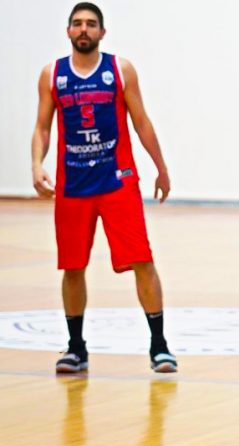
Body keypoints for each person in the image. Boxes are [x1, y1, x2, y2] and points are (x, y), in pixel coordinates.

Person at [31, 2, 177, 374]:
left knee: (142, 260)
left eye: (91, 24)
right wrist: (36, 164)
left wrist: (161, 168)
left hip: (117, 182)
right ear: (68, 31)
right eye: (78, 23)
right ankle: (76, 348)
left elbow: (141, 121)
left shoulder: (119, 70)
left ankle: (159, 346)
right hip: (73, 184)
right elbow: (43, 127)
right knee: (72, 266)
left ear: (102, 32)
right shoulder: (52, 74)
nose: (84, 29)